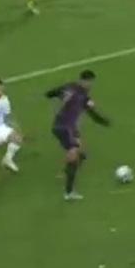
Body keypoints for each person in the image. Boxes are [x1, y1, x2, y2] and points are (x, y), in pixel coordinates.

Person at [45, 70, 110, 201]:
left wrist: (57, 104)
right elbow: (93, 115)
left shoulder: (69, 86)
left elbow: (50, 93)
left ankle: (66, 174)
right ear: (84, 81)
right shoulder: (82, 96)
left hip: (66, 126)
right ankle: (69, 192)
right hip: (65, 128)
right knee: (73, 156)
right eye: (89, 82)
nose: (90, 85)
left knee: (82, 154)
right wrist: (104, 122)